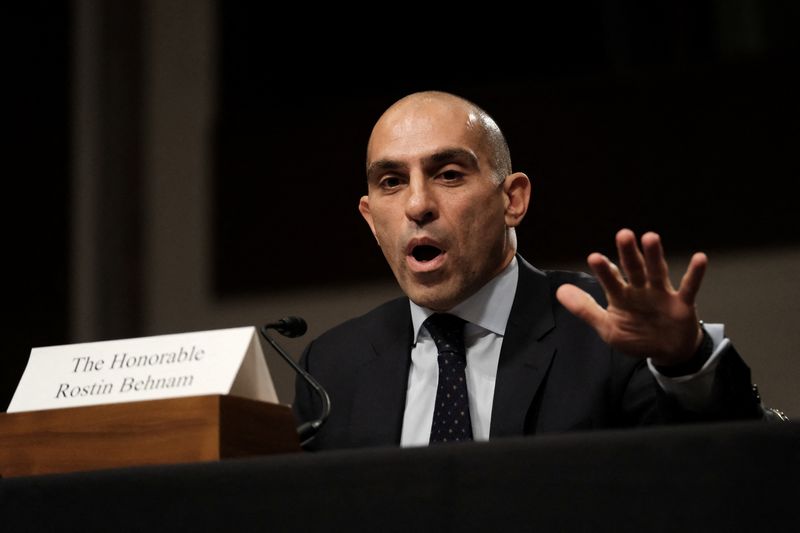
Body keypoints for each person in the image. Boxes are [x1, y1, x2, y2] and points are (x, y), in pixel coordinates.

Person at [293, 90, 764, 451]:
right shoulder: (332, 368)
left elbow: (730, 469)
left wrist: (684, 362)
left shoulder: (609, 330)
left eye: (449, 174)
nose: (417, 204)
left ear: (512, 199)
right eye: (392, 182)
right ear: (372, 220)